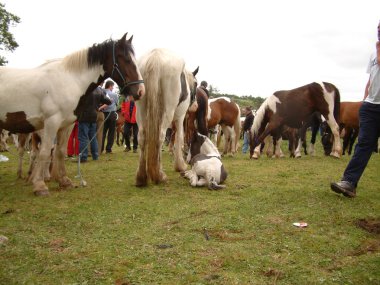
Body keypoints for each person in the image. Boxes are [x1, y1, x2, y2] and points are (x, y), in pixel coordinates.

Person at [330, 21, 380, 198]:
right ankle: (349, 182)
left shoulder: (378, 52)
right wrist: (366, 99)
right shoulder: (373, 54)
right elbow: (372, 79)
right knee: (363, 145)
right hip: (371, 107)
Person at [77, 85, 111, 163]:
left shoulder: (84, 87)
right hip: (94, 116)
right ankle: (95, 155)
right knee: (93, 137)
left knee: (83, 137)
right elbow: (108, 101)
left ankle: (83, 157)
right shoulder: (99, 90)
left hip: (83, 116)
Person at [99, 80, 119, 154]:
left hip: (103, 113)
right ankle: (108, 149)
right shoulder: (114, 94)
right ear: (110, 86)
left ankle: (100, 148)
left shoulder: (101, 92)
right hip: (112, 113)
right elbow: (116, 104)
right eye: (112, 86)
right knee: (111, 132)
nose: (113, 88)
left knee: (103, 132)